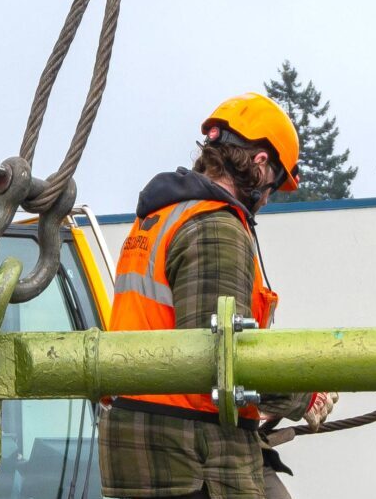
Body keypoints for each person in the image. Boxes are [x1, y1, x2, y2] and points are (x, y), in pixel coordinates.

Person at [100, 93, 335, 499]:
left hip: (154, 444)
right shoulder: (215, 227)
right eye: (274, 186)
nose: (267, 198)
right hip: (188, 456)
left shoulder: (161, 217)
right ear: (261, 164)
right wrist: (303, 397)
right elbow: (217, 355)